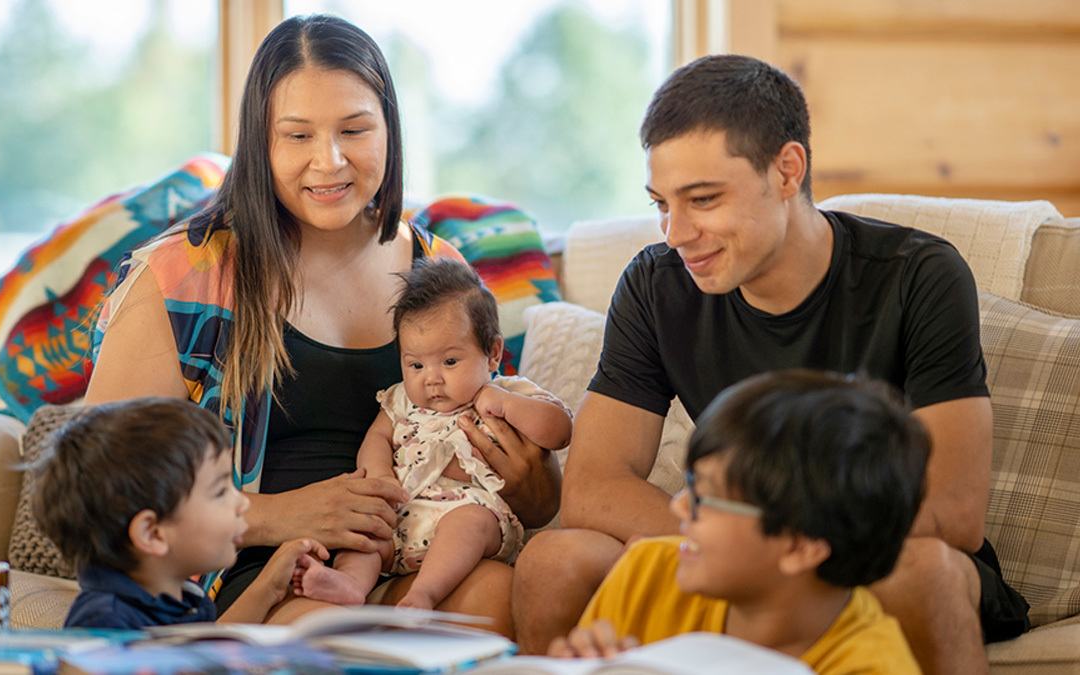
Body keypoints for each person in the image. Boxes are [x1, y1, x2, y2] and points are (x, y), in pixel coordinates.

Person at [511, 54, 1029, 673]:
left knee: (922, 572)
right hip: (727, 544)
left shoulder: (919, 276)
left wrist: (772, 548)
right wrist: (730, 546)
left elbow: (954, 512)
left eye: (702, 199)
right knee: (553, 561)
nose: (675, 233)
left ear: (787, 170)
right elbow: (594, 489)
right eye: (660, 204)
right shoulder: (657, 285)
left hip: (868, 551)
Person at [83, 14, 559, 634]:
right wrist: (279, 515)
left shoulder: (440, 271)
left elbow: (528, 478)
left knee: (496, 594)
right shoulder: (185, 275)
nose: (328, 161)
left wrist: (531, 480)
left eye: (354, 129)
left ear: (390, 130)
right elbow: (101, 489)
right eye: (297, 136)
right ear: (262, 143)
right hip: (260, 568)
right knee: (335, 637)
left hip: (417, 545)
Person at [549, 370, 926, 674]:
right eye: (689, 485)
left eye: (704, 498)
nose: (679, 508)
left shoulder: (872, 666)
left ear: (799, 546)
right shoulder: (645, 573)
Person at [292, 258, 572, 610]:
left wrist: (506, 404)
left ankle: (424, 593)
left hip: (470, 510)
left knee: (470, 524)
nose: (431, 378)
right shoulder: (400, 399)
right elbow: (377, 438)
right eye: (416, 365)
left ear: (493, 354)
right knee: (365, 534)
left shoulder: (507, 392)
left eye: (450, 362)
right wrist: (379, 475)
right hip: (402, 515)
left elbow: (559, 431)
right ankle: (349, 585)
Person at [31, 397, 331, 629]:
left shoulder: (181, 595)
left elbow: (205, 649)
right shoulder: (105, 620)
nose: (242, 504)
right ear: (153, 533)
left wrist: (269, 587)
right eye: (220, 492)